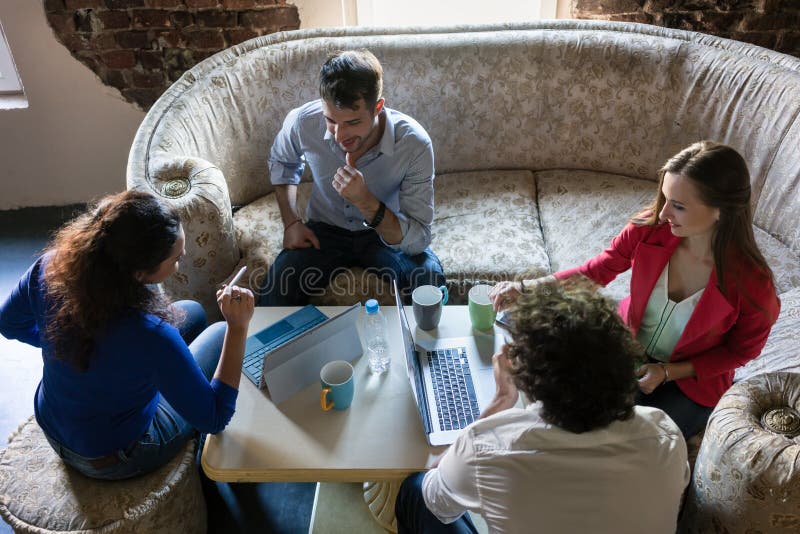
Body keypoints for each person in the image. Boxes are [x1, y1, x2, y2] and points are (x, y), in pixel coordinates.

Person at [490, 141, 780, 438]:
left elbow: (740, 352)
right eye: (665, 198)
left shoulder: (754, 285)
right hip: (623, 348)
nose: (664, 213)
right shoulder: (651, 227)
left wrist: (668, 372)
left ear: (720, 210)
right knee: (564, 407)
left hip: (690, 382)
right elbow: (596, 271)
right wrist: (526, 288)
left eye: (678, 206)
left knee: (629, 440)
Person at [396, 278, 690, 533]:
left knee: (414, 491)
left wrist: (501, 401)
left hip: (466, 466)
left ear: (530, 381)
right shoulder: (666, 435)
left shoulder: (487, 448)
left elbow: (436, 495)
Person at [0, 190, 255, 480]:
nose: (179, 264)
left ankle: (173, 380)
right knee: (220, 331)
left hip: (54, 425)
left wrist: (62, 342)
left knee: (192, 312)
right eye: (175, 259)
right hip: (112, 456)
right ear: (139, 273)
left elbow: (8, 324)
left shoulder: (49, 268)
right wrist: (238, 328)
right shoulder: (151, 334)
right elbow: (215, 418)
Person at [260, 49, 445, 305]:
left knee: (429, 278)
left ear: (378, 107)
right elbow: (282, 162)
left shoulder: (414, 143)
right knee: (278, 283)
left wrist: (366, 202)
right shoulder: (303, 121)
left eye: (353, 122)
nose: (339, 135)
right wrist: (291, 222)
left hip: (385, 234)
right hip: (323, 232)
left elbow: (419, 237)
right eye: (331, 121)